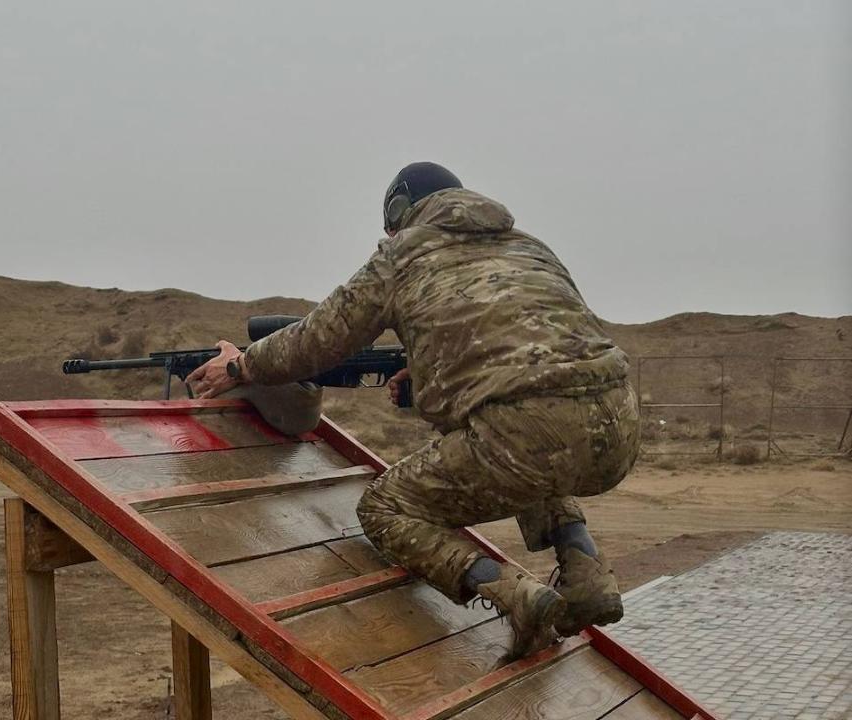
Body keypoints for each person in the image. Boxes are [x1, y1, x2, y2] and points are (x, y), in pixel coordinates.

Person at [187, 162, 640, 659]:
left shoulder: (403, 253)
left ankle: (516, 596)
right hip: (618, 427)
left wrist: (241, 366)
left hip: (521, 434)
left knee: (383, 508)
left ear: (401, 209)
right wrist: (432, 369)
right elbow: (539, 350)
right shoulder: (530, 246)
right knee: (537, 448)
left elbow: (317, 340)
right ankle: (588, 574)